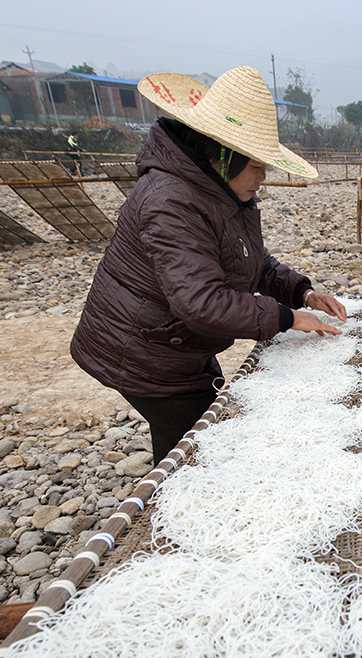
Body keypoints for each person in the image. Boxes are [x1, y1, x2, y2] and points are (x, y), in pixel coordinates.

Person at [70, 66, 347, 461]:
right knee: (198, 445)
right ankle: (168, 506)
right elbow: (200, 302)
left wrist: (302, 292)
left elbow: (250, 262)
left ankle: (170, 487)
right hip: (143, 350)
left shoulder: (215, 190)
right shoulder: (171, 200)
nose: (263, 177)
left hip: (173, 339)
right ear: (222, 155)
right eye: (255, 165)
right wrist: (287, 317)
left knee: (191, 435)